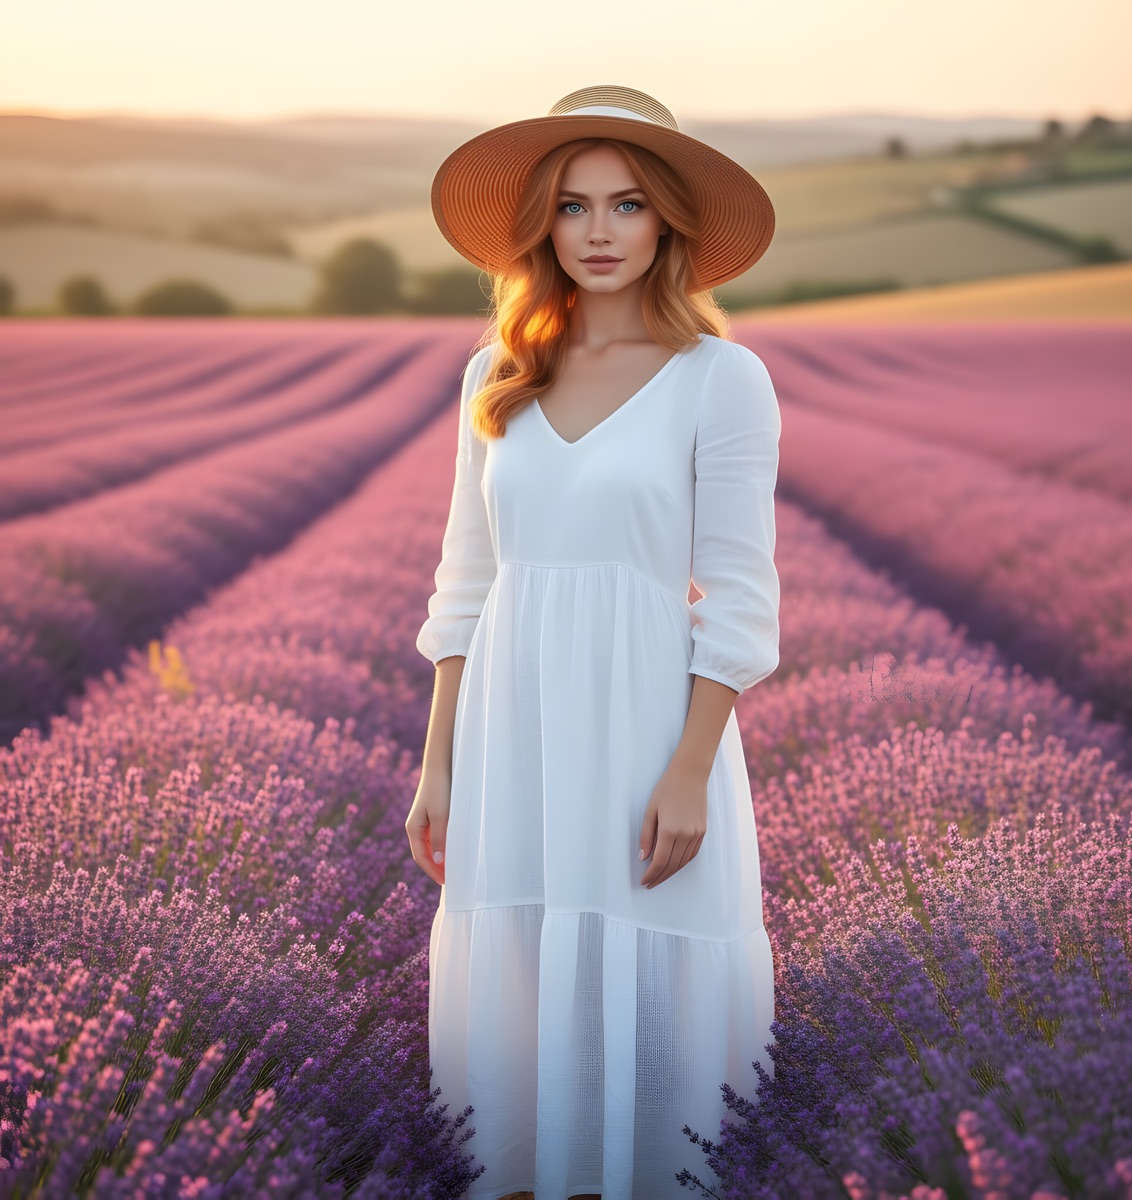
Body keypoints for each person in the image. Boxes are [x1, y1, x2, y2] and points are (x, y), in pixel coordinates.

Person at [407, 84, 782, 1200]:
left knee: (649, 981)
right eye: (575, 208)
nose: (601, 232)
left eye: (627, 205)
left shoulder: (723, 378)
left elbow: (744, 599)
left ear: (668, 222)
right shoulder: (496, 376)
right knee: (519, 994)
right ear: (543, 226)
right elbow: (467, 583)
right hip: (509, 729)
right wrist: (439, 763)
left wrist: (688, 770)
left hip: (646, 727)